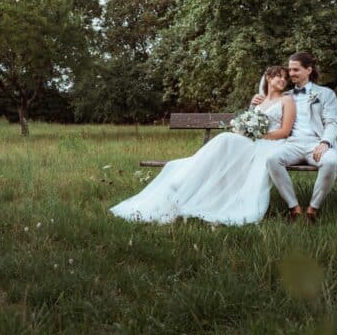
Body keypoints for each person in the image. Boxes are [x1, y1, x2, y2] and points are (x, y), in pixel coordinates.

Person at [110, 66, 295, 225]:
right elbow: (249, 121)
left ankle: (188, 180)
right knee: (225, 139)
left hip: (269, 143)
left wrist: (257, 134)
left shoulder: (287, 100)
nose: (282, 80)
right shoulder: (259, 101)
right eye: (278, 76)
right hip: (251, 141)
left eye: (285, 78)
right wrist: (249, 118)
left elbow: (285, 131)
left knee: (226, 139)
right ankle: (188, 182)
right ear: (269, 78)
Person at [251, 52, 337, 222]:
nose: (291, 73)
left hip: (316, 143)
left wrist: (325, 142)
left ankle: (313, 209)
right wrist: (258, 100)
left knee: (330, 161)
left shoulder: (326, 94)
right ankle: (294, 207)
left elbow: (332, 123)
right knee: (272, 159)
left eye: (296, 69)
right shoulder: (286, 96)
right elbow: (266, 109)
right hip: (291, 144)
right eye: (290, 70)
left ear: (308, 70)